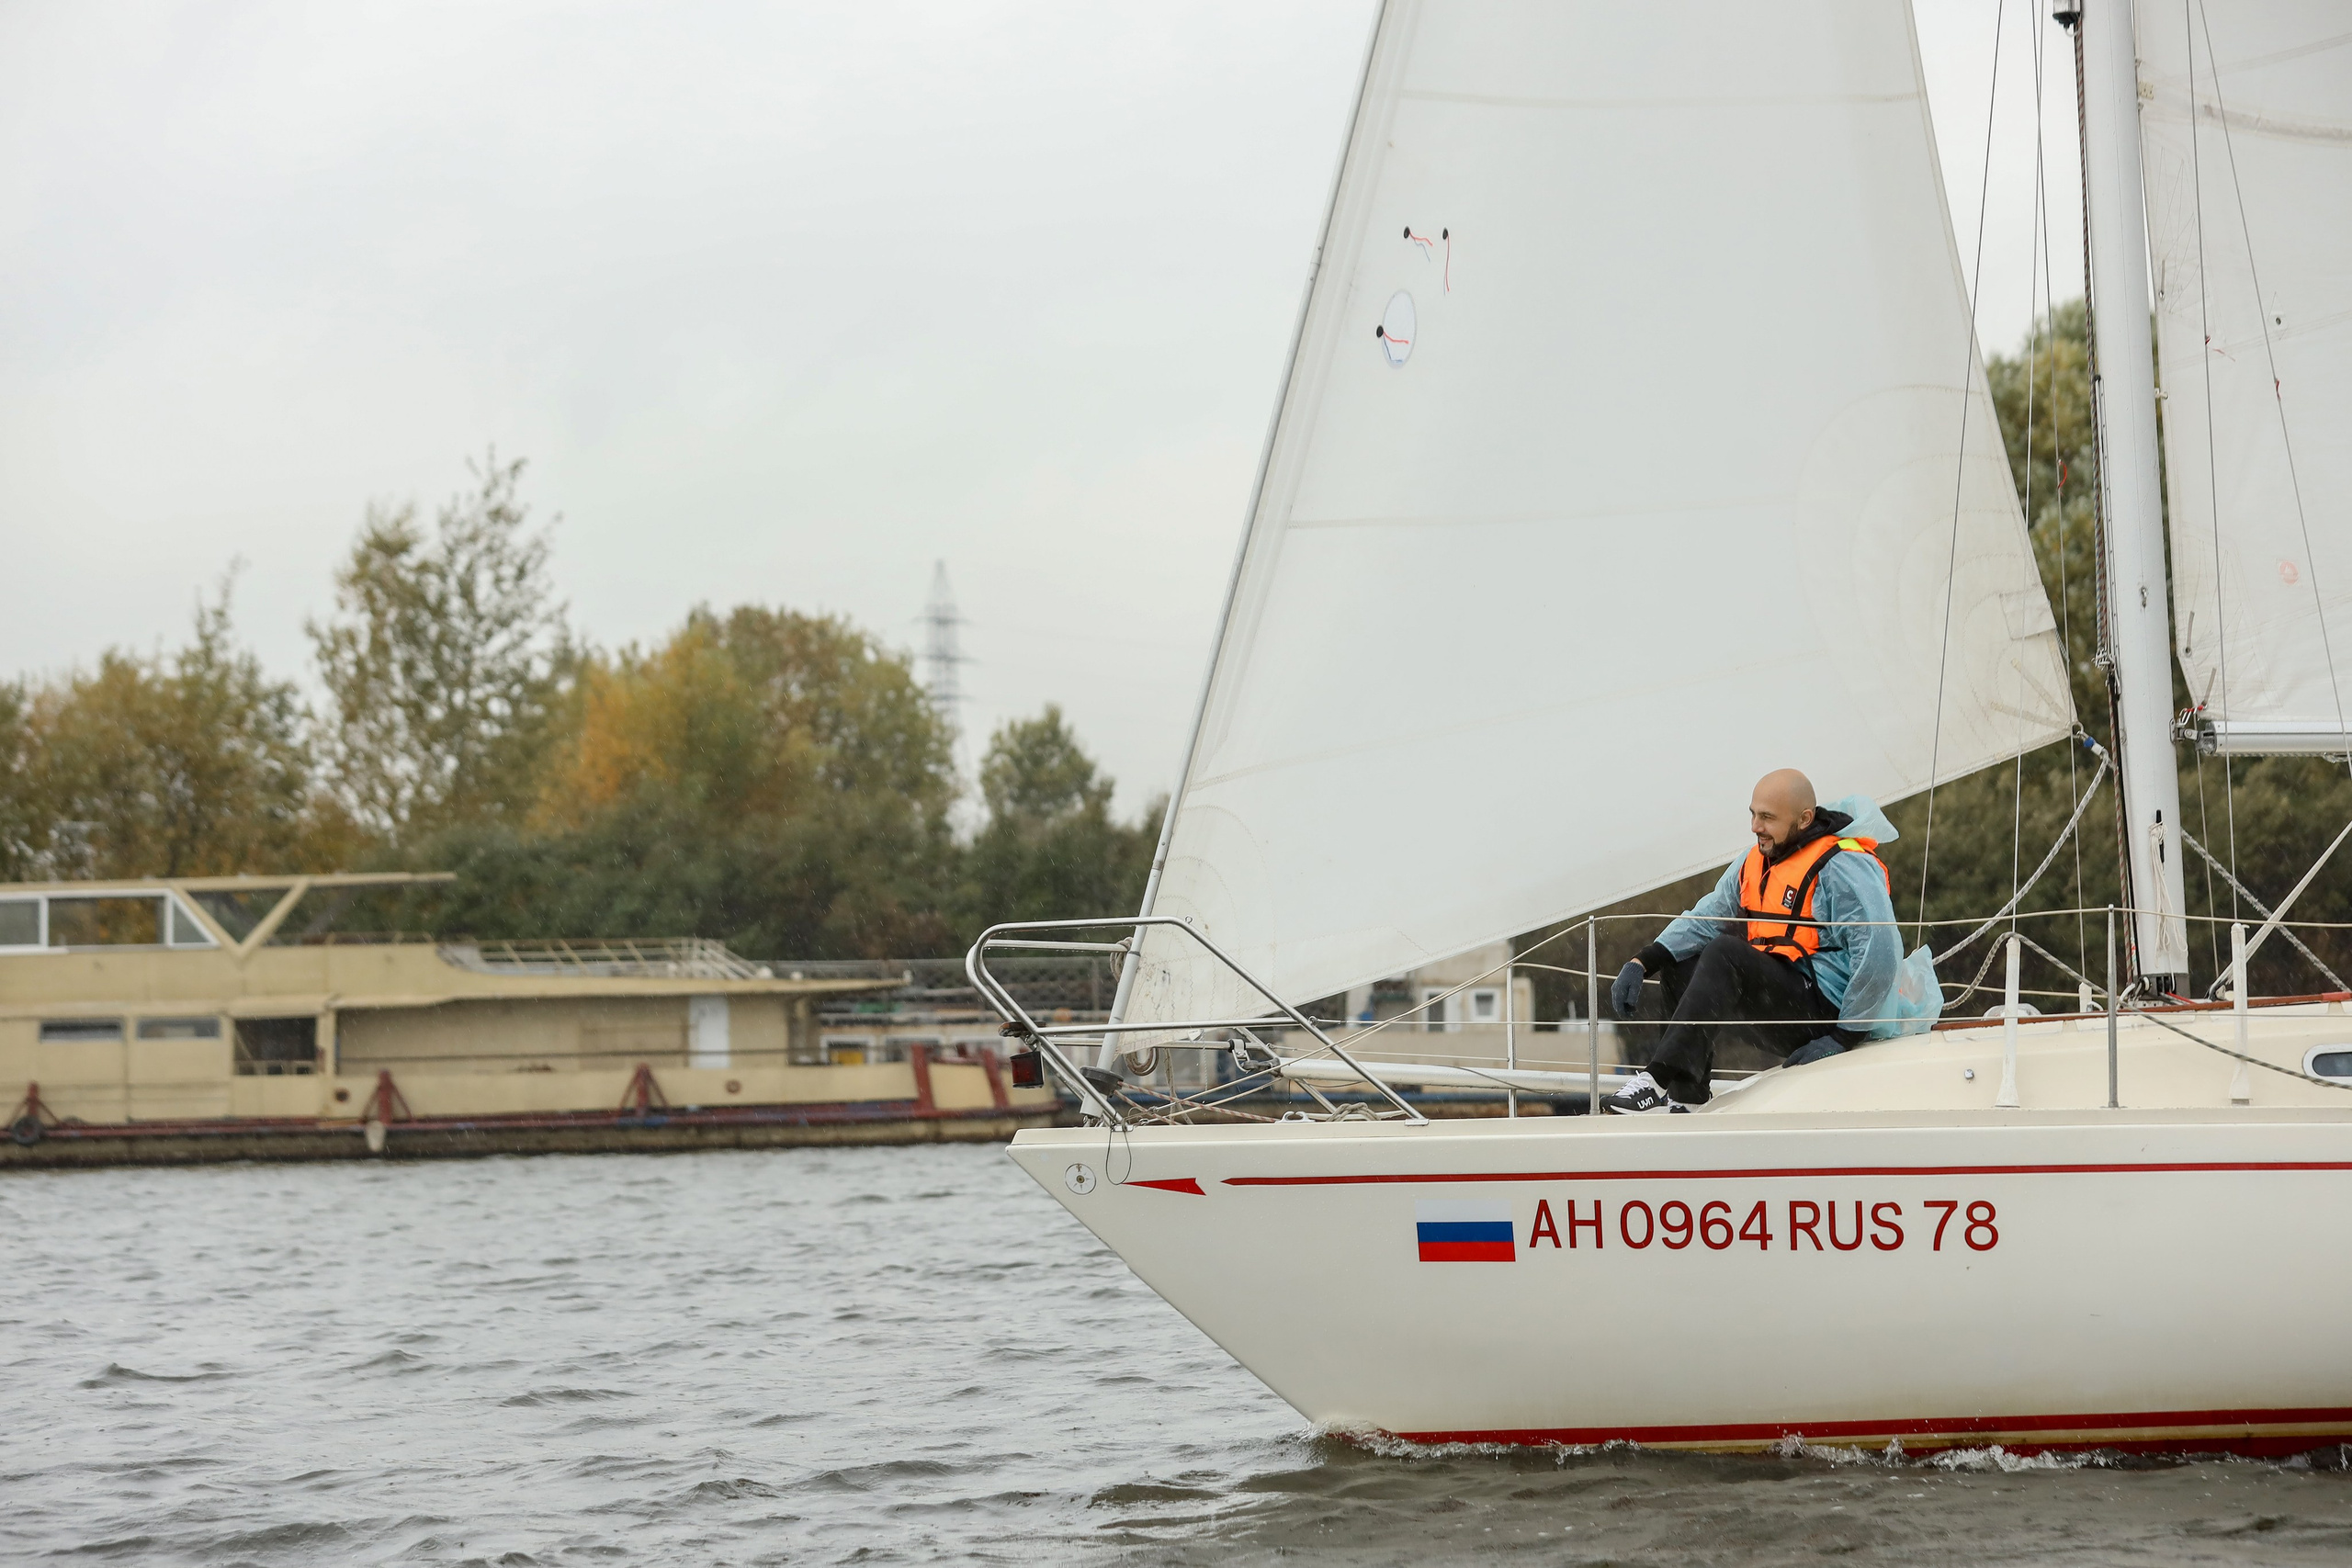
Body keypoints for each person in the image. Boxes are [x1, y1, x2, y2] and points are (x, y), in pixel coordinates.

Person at [1600, 768, 1901, 1114]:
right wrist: (1644, 960)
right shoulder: (1754, 861)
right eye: (1754, 815)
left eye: (1768, 817)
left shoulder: (1843, 865)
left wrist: (1844, 1036)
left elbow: (1880, 951)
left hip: (1825, 1018)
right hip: (1781, 1005)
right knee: (1680, 963)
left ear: (1804, 819)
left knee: (1726, 951)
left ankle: (1655, 1080)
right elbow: (1705, 919)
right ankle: (1686, 1097)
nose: (1756, 827)